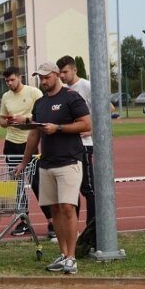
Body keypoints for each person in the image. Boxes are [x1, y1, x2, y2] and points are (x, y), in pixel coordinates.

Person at [15, 62, 90, 275]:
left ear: (56, 75)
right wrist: (24, 161)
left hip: (69, 160)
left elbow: (86, 124)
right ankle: (63, 254)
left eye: (46, 77)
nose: (43, 81)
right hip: (46, 163)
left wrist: (58, 128)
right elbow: (34, 134)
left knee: (68, 207)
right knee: (55, 209)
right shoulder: (40, 103)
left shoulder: (71, 97)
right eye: (40, 77)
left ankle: (72, 258)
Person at [57, 56, 114, 256]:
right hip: (70, 147)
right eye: (60, 73)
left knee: (89, 189)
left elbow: (109, 109)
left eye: (65, 72)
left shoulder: (87, 86)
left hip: (86, 145)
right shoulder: (62, 92)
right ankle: (75, 231)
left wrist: (92, 130)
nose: (62, 76)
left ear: (74, 70)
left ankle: (94, 233)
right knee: (71, 191)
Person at [0, 66, 55, 239]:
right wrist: (7, 122)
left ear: (19, 78)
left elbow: (44, 116)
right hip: (11, 143)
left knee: (38, 184)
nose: (10, 83)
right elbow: (1, 120)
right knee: (16, 185)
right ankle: (24, 220)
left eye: (12, 80)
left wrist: (26, 120)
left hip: (30, 144)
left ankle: (51, 221)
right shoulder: (6, 97)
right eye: (7, 81)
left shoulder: (34, 93)